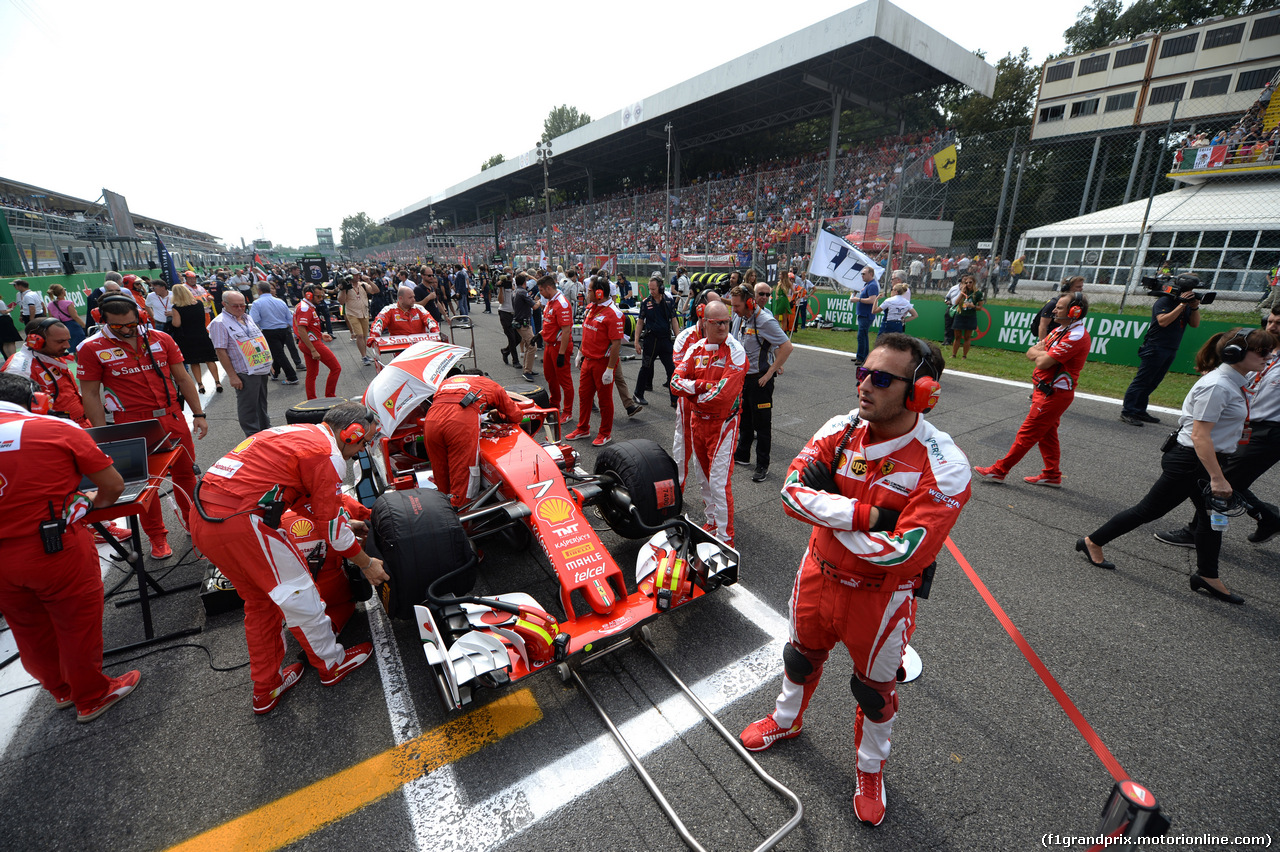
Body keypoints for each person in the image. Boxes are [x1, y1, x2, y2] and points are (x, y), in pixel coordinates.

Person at [739, 334, 970, 827]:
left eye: (881, 378)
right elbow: (790, 494)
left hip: (881, 600)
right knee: (798, 656)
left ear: (921, 391)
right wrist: (871, 515)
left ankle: (869, 769)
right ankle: (786, 721)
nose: (864, 385)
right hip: (817, 576)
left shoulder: (945, 464)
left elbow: (903, 554)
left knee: (874, 691)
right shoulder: (840, 428)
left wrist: (832, 519)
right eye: (862, 373)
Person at [190, 404, 387, 714]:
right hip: (243, 522)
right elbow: (332, 531)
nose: (362, 448)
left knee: (261, 604)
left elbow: (308, 501)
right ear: (351, 433)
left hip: (205, 519)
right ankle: (332, 663)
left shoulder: (304, 436)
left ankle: (266, 689)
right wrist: (366, 562)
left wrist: (346, 523)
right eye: (364, 441)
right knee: (301, 594)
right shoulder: (327, 455)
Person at [1079, 328, 1276, 604]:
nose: (1269, 356)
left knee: (1210, 519)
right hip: (1191, 461)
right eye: (1263, 351)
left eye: (1270, 351)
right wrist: (1218, 478)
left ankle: (1208, 575)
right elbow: (1200, 436)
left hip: (1206, 460)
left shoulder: (1235, 381)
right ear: (1236, 354)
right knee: (1148, 510)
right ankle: (1092, 541)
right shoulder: (1218, 386)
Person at [0, 372, 141, 723]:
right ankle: (92, 695)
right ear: (35, 401)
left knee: (26, 626)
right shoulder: (54, 429)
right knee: (75, 622)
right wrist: (88, 504)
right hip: (52, 547)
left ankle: (61, 689)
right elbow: (112, 486)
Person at [77, 294, 208, 559]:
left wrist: (199, 413)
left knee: (186, 474)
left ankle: (197, 525)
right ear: (102, 321)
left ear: (141, 317)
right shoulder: (91, 348)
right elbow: (90, 394)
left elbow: (182, 377)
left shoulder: (162, 339)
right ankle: (157, 537)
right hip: (131, 423)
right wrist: (102, 436)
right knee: (145, 484)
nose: (126, 330)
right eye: (117, 326)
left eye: (131, 324)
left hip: (172, 417)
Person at [1156, 307, 1280, 547]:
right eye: (1270, 321)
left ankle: (1198, 533)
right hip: (1245, 426)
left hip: (1269, 432)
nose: (1272, 327)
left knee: (1222, 480)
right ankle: (1267, 517)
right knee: (1224, 478)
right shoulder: (1263, 355)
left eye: (1279, 323)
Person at [974, 292, 1092, 487]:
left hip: (1053, 395)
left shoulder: (1076, 335)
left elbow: (1043, 362)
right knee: (1047, 434)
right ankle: (1052, 474)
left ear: (1074, 312)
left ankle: (999, 471)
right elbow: (1030, 352)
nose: (1054, 309)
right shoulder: (1061, 330)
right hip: (1045, 391)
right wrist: (1040, 353)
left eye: (1059, 307)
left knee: (1026, 434)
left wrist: (1041, 353)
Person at [671, 300, 747, 544]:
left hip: (723, 423)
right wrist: (701, 386)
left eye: (726, 322)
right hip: (697, 422)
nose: (723, 327)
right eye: (717, 323)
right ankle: (712, 521)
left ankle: (726, 537)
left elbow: (723, 395)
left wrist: (692, 393)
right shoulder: (696, 349)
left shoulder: (736, 352)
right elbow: (674, 383)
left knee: (718, 481)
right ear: (704, 323)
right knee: (702, 476)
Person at [423, 375, 525, 509]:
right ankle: (462, 519)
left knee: (440, 474)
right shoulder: (489, 383)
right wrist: (500, 416)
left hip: (430, 422)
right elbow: (516, 415)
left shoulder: (447, 382)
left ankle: (443, 512)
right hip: (459, 423)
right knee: (462, 476)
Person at [1120, 274, 1203, 427]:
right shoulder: (1165, 301)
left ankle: (1139, 409)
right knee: (1142, 380)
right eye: (1189, 290)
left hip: (1171, 347)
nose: (1191, 293)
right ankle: (1128, 411)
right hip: (1155, 346)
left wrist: (1194, 306)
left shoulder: (1185, 304)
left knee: (1153, 381)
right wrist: (1181, 305)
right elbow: (1163, 321)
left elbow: (1195, 324)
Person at [730, 283, 793, 483]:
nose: (734, 309)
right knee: (745, 420)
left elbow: (786, 346)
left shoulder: (765, 320)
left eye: (737, 306)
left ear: (749, 302)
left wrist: (771, 371)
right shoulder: (740, 318)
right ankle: (742, 455)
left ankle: (762, 465)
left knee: (762, 425)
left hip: (760, 381)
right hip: (743, 379)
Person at [565, 277, 625, 447]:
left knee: (605, 401)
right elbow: (586, 333)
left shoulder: (614, 314)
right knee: (584, 397)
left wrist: (610, 369)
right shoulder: (591, 308)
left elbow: (616, 344)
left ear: (599, 293)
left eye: (589, 290)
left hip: (602, 363)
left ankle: (605, 433)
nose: (586, 293)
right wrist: (579, 353)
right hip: (587, 361)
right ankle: (582, 428)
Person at [672, 292, 721, 488]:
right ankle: (678, 489)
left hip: (715, 405)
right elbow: (679, 378)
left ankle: (712, 495)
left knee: (713, 454)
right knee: (682, 448)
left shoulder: (725, 339)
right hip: (689, 403)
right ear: (701, 311)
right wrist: (705, 385)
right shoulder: (685, 338)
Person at [210, 291, 274, 438]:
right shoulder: (219, 323)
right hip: (244, 371)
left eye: (242, 305)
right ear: (224, 304)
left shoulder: (247, 317)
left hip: (260, 368)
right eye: (235, 306)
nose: (240, 308)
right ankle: (253, 437)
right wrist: (232, 376)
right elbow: (221, 351)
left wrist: (267, 363)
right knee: (248, 408)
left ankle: (266, 433)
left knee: (261, 405)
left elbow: (258, 341)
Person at [4, 318, 89, 426]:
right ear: (37, 341)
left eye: (68, 340)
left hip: (79, 424)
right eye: (60, 341)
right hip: (57, 431)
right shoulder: (20, 368)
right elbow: (15, 413)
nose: (67, 346)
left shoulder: (52, 355)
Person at [634, 272, 680, 406]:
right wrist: (636, 341)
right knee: (646, 367)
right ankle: (638, 394)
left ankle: (675, 398)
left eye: (653, 289)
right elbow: (640, 322)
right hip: (651, 340)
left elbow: (674, 320)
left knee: (672, 369)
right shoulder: (645, 302)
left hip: (665, 340)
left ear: (660, 288)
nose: (651, 291)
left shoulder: (668, 301)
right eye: (650, 288)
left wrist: (678, 339)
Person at [168, 283, 223, 393]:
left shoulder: (176, 308)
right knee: (210, 359)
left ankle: (200, 385)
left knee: (194, 362)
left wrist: (171, 316)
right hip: (202, 334)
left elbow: (177, 324)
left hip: (188, 337)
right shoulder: (198, 303)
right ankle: (217, 382)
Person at [294, 283, 341, 401]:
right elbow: (301, 329)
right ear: (309, 295)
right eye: (318, 297)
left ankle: (312, 399)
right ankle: (330, 396)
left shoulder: (306, 306)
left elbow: (307, 328)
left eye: (322, 297)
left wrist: (320, 335)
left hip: (308, 342)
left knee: (312, 373)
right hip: (312, 344)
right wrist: (313, 349)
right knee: (336, 368)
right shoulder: (305, 308)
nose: (321, 299)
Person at [538, 274, 575, 423]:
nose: (540, 293)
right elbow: (550, 324)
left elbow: (566, 331)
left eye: (541, 290)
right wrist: (539, 334)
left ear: (548, 288)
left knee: (564, 381)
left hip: (559, 347)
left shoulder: (562, 303)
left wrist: (561, 354)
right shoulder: (550, 301)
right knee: (550, 377)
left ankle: (568, 411)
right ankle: (555, 405)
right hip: (549, 345)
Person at [248, 281, 300, 384]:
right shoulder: (280, 301)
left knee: (279, 354)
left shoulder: (257, 303)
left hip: (269, 331)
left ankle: (292, 376)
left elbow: (254, 320)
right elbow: (289, 318)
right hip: (284, 330)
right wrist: (295, 331)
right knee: (277, 353)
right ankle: (275, 373)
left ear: (259, 290)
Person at [368, 286, 441, 344]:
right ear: (401, 298)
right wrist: (373, 336)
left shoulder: (419, 309)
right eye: (410, 297)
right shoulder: (389, 310)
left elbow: (430, 321)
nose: (413, 300)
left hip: (420, 347)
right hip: (400, 350)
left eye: (413, 297)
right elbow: (378, 323)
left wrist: (435, 332)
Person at [337, 273, 378, 366]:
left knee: (364, 336)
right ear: (350, 277)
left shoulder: (362, 284)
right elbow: (341, 301)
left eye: (358, 275)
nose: (357, 276)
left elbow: (375, 290)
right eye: (355, 275)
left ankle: (365, 355)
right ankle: (363, 356)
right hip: (352, 313)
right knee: (359, 335)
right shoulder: (345, 287)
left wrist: (369, 281)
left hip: (364, 313)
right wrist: (343, 289)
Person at [43, 284, 87, 352]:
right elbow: (75, 317)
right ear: (63, 292)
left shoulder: (50, 304)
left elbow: (51, 318)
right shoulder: (68, 303)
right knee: (81, 347)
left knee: (72, 348)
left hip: (59, 326)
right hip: (72, 326)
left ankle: (77, 361)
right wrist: (84, 326)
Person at [511, 274, 538, 382]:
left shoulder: (516, 291)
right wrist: (539, 301)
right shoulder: (522, 292)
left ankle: (528, 369)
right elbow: (535, 306)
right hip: (524, 323)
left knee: (528, 345)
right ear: (524, 282)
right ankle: (527, 371)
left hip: (520, 322)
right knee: (532, 346)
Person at [852, 266, 881, 364]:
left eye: (864, 274)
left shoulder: (872, 285)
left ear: (871, 274)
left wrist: (858, 299)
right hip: (863, 313)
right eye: (862, 274)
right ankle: (863, 356)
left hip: (866, 314)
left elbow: (872, 300)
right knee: (863, 335)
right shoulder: (867, 284)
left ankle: (861, 357)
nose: (862, 275)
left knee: (861, 335)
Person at [950, 274, 982, 359]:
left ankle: (964, 355)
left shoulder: (978, 293)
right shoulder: (963, 292)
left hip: (970, 316)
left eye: (970, 282)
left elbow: (980, 308)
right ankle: (954, 354)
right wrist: (962, 293)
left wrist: (973, 306)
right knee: (957, 336)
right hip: (960, 315)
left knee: (967, 337)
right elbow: (955, 303)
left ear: (974, 283)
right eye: (966, 282)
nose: (968, 284)